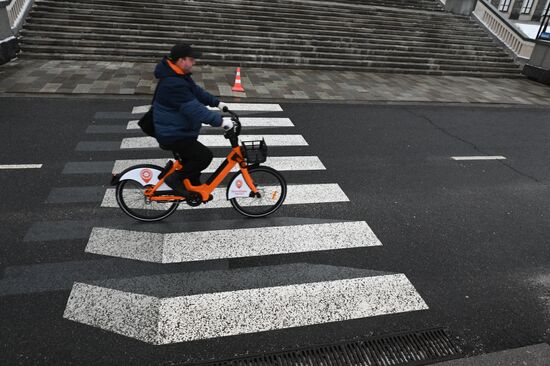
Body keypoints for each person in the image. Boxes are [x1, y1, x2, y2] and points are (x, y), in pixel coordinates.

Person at [152, 43, 232, 197]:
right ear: (181, 60)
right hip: (173, 133)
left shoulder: (177, 75)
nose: (194, 62)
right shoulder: (173, 83)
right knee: (204, 156)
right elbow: (193, 108)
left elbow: (197, 92)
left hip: (177, 129)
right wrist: (220, 122)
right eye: (191, 59)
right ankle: (175, 179)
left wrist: (217, 103)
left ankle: (193, 188)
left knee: (193, 160)